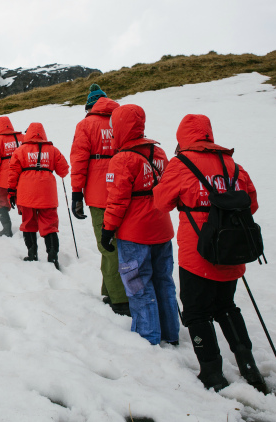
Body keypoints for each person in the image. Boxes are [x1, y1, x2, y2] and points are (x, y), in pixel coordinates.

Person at [154, 114, 266, 393]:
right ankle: (249, 367)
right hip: (232, 249)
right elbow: (251, 203)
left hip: (198, 252)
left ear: (183, 137)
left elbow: (161, 202)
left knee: (195, 312)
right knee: (226, 306)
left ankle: (212, 373)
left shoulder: (181, 164)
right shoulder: (232, 164)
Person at [99, 104, 179, 346]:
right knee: (164, 280)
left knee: (137, 284)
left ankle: (147, 336)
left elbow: (117, 201)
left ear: (121, 127)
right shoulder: (160, 153)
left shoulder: (121, 159)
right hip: (161, 228)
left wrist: (107, 229)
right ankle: (170, 332)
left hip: (135, 233)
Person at [70, 86, 131, 316]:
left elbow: (78, 160)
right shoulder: (123, 121)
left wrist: (77, 193)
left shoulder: (85, 125)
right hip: (125, 191)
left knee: (108, 246)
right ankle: (110, 290)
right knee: (120, 243)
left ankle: (120, 300)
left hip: (98, 195)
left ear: (90, 106)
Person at [7, 122, 69, 269]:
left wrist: (11, 191)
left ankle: (32, 254)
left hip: (26, 192)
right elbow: (64, 171)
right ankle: (53, 257)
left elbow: (13, 172)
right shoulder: (53, 150)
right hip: (47, 193)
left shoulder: (20, 150)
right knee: (50, 225)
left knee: (28, 223)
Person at [0, 116, 22, 237]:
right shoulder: (22, 138)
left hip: (5, 180)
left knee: (0, 202)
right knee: (24, 204)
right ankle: (30, 231)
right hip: (22, 177)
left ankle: (7, 230)